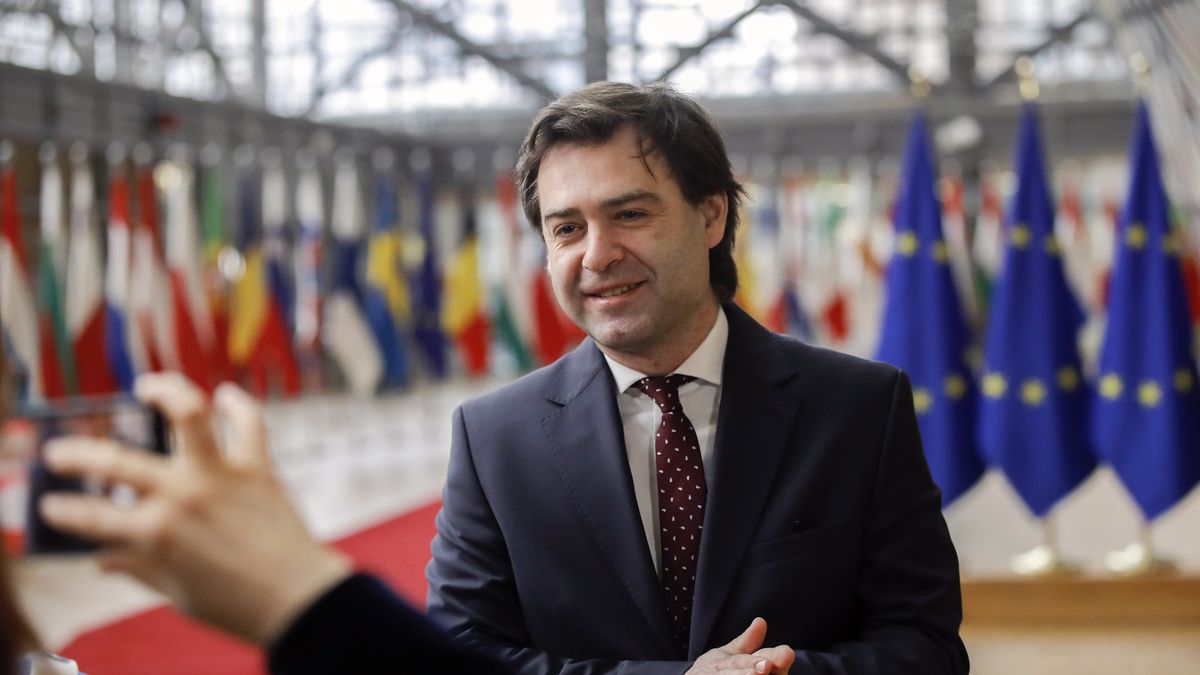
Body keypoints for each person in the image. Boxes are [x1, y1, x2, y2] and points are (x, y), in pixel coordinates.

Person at [424, 81, 969, 674]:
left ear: (710, 215)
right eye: (567, 229)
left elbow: (926, 645)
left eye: (629, 214)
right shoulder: (494, 439)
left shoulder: (860, 408)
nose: (597, 255)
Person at [35, 372, 507, 675]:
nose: (586, 255)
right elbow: (471, 629)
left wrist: (305, 599)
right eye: (565, 229)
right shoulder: (487, 428)